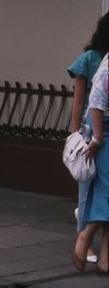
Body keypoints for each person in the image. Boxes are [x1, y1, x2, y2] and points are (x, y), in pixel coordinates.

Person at [69, 13, 109, 261]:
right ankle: (85, 239)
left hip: (97, 128)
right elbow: (81, 99)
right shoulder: (90, 60)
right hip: (92, 128)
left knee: (100, 188)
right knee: (87, 188)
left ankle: (99, 249)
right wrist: (75, 134)